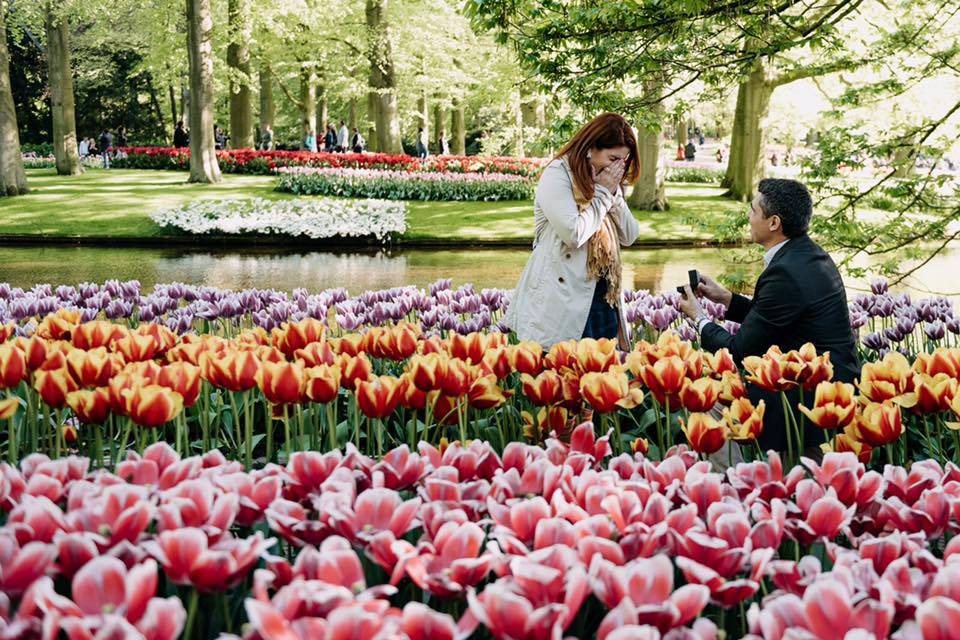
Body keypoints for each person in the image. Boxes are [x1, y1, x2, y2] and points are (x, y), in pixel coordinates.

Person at [678, 178, 860, 455]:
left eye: (753, 210)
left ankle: (731, 485)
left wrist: (699, 318)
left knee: (709, 400)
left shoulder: (785, 272)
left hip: (811, 395)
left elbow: (740, 351)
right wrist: (727, 299)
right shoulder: (808, 255)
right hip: (831, 384)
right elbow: (774, 318)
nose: (748, 218)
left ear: (773, 223)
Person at [504, 112, 641, 348]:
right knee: (558, 378)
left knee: (602, 381)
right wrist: (604, 194)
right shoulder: (558, 174)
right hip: (560, 303)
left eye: (623, 161)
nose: (619, 168)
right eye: (613, 158)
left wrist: (613, 194)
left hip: (602, 299)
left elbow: (629, 235)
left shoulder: (605, 184)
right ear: (590, 148)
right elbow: (574, 234)